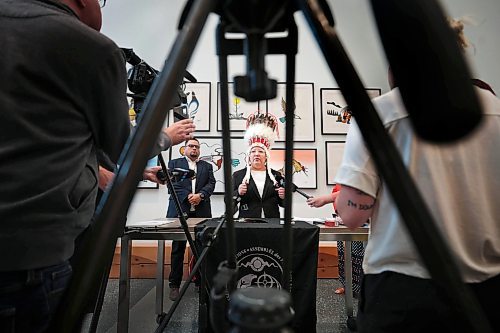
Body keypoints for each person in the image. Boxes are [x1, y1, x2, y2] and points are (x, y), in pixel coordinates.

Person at [0, 1, 194, 332]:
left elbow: (50, 145)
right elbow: (124, 147)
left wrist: (121, 174)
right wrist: (165, 136)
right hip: (30, 262)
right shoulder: (91, 48)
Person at [334, 18, 500, 332]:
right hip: (488, 290)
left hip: (403, 291)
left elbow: (352, 214)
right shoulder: (497, 112)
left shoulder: (378, 114)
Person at [166, 138, 216, 301]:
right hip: (180, 209)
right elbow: (172, 184)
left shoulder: (206, 166)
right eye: (191, 146)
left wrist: (200, 195)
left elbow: (211, 184)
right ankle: (174, 285)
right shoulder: (174, 163)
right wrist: (187, 197)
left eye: (197, 147)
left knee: (201, 249)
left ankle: (200, 283)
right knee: (178, 248)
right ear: (184, 148)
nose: (194, 149)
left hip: (201, 211)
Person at [307, 184, 365, 297]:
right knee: (343, 256)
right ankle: (347, 285)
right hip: (342, 219)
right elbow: (338, 194)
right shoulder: (341, 181)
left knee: (357, 256)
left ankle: (359, 288)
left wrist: (324, 199)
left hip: (358, 221)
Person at [232, 112, 285, 218]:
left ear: (266, 156)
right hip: (247, 222)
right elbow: (228, 202)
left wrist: (283, 197)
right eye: (253, 151)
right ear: (248, 156)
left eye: (261, 151)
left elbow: (283, 204)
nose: (256, 154)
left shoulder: (276, 176)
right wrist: (238, 192)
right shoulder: (238, 175)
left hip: (272, 222)